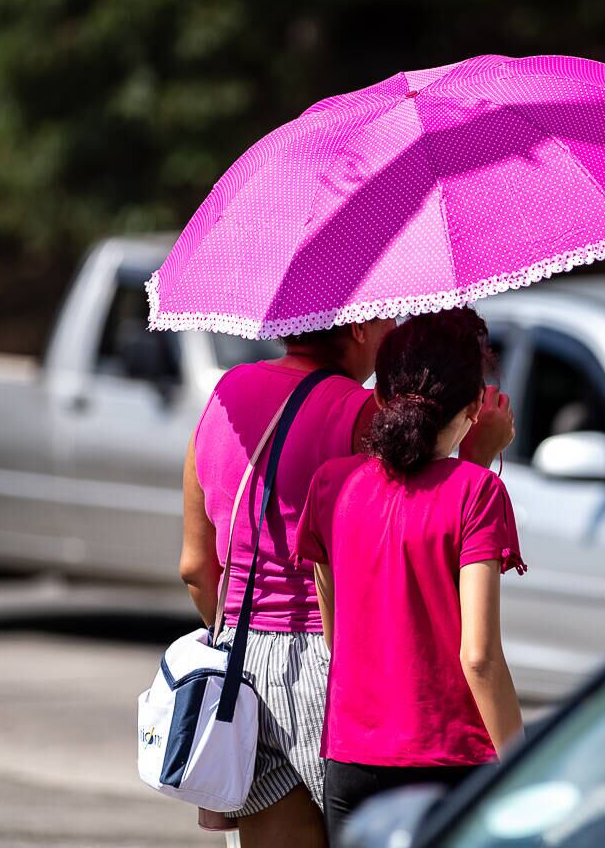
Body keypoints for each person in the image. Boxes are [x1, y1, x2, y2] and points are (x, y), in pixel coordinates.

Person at [179, 320, 511, 848]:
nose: (394, 325)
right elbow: (422, 519)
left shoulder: (225, 395)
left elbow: (197, 568)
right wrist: (477, 455)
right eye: (385, 319)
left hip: (239, 663)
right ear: (358, 327)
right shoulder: (357, 409)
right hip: (328, 664)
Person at [296, 308, 525, 843]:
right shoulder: (477, 493)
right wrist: (523, 766)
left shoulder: (332, 484)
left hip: (351, 755)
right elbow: (480, 657)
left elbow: (337, 634)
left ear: (379, 399)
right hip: (449, 758)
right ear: (474, 406)